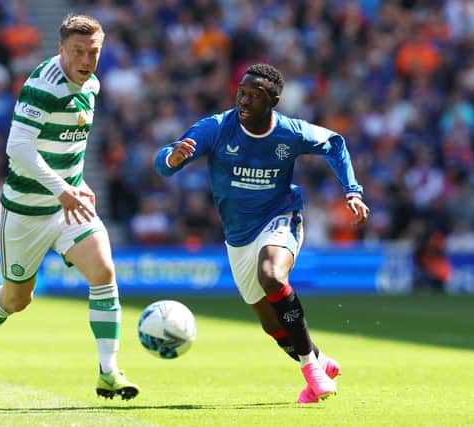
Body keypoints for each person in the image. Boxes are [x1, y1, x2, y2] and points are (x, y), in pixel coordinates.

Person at [154, 64, 370, 404]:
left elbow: (336, 143)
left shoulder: (290, 132)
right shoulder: (217, 127)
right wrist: (171, 159)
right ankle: (319, 361)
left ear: (274, 100)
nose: (245, 100)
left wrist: (352, 191)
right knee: (273, 326)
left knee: (271, 275)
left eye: (255, 95)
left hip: (279, 216)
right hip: (237, 236)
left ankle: (309, 369)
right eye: (242, 92)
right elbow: (164, 161)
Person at [0, 14, 140, 400]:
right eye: (78, 51)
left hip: (67, 205)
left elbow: (68, 143)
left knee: (104, 269)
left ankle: (108, 371)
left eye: (93, 52)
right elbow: (18, 148)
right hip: (26, 210)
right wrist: (62, 189)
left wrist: (78, 184)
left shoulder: (91, 83)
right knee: (16, 299)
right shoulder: (43, 86)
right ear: (61, 49)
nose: (86, 60)